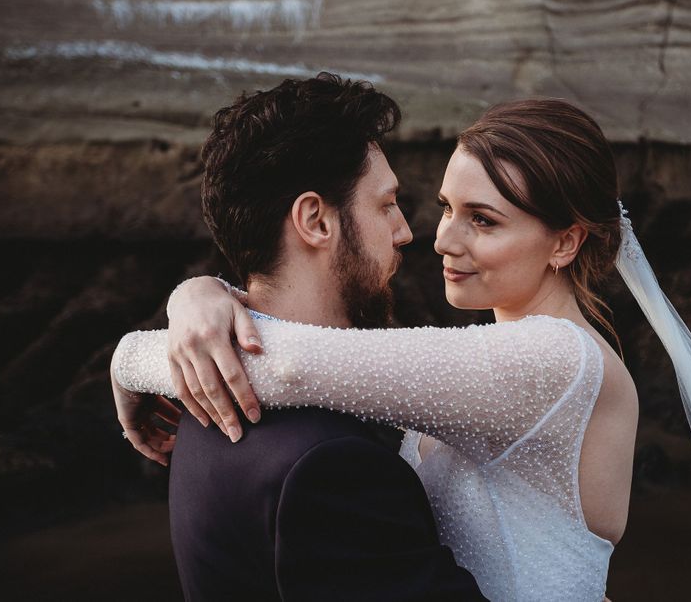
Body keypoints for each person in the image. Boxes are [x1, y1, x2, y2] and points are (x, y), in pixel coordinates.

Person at [115, 97, 691, 601]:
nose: (438, 238)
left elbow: (285, 363)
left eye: (483, 219)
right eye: (443, 207)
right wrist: (202, 297)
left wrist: (137, 350)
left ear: (566, 240)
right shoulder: (488, 356)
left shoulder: (551, 365)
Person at [110, 73, 487, 601]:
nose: (405, 231)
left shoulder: (200, 394)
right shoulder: (332, 468)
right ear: (315, 220)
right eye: (385, 205)